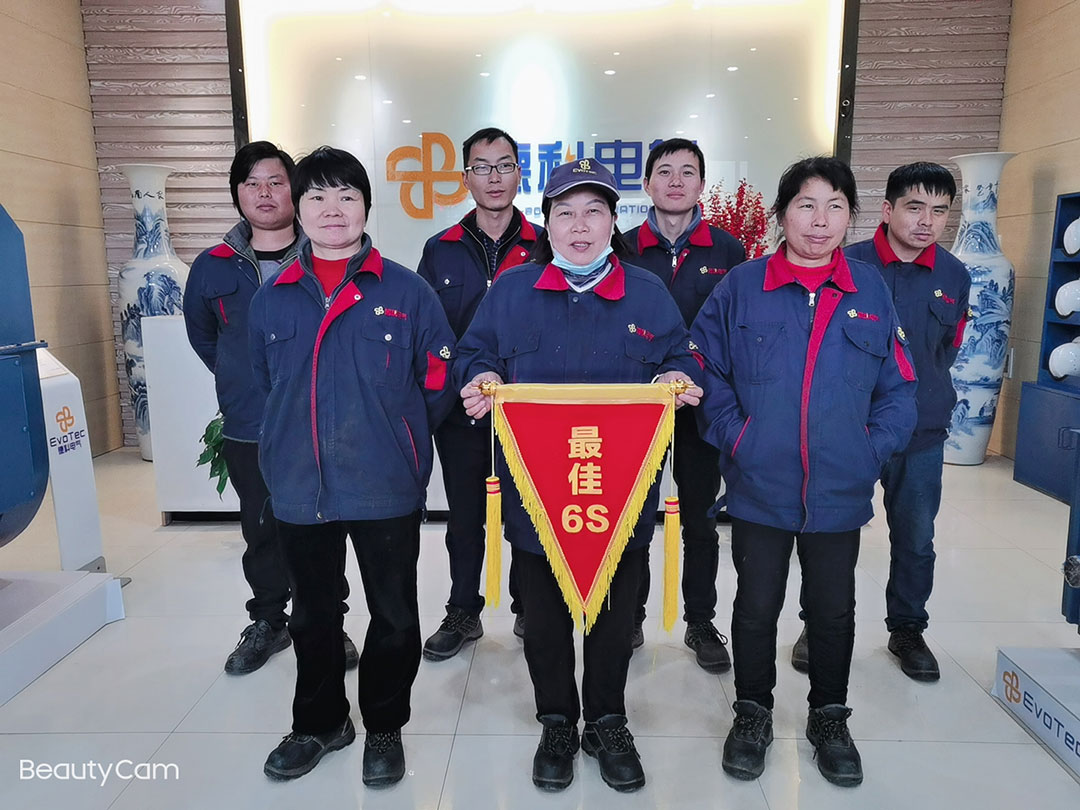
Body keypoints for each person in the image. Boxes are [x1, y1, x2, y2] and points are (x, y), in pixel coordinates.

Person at [456, 159, 702, 793]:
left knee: (614, 619)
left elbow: (680, 355)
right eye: (565, 213)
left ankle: (608, 720)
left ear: (614, 220)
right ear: (546, 223)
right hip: (537, 498)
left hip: (619, 496)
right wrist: (482, 378)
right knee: (543, 619)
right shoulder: (512, 291)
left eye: (594, 211)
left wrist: (676, 377)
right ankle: (558, 721)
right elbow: (475, 353)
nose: (580, 226)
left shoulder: (647, 293)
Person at [691, 157, 918, 787]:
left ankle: (829, 717)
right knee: (756, 606)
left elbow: (900, 388)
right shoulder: (742, 286)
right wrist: (739, 438)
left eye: (835, 206)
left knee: (832, 609)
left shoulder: (870, 291)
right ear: (781, 213)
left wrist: (868, 451)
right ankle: (752, 713)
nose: (820, 221)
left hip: (840, 488)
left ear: (852, 216)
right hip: (759, 485)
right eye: (806, 205)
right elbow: (703, 370)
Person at [249, 147, 456, 785]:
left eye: (346, 196)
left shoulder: (407, 291)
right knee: (313, 615)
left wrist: (398, 437)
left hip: (384, 483)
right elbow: (263, 382)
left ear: (366, 206)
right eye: (317, 196)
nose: (332, 209)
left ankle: (385, 726)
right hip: (299, 483)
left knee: (393, 615)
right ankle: (320, 722)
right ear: (298, 208)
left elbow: (438, 381)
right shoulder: (273, 296)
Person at [182, 141, 358, 675]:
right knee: (260, 527)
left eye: (276, 182)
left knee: (323, 526)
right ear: (237, 193)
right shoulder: (212, 267)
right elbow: (206, 339)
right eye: (251, 183)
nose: (264, 193)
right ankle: (268, 620)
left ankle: (328, 619)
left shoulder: (326, 256)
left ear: (295, 191)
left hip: (318, 424)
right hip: (250, 423)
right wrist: (245, 380)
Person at [841, 162, 969, 681]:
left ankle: (908, 630)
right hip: (850, 426)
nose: (926, 221)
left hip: (920, 430)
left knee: (915, 538)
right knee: (833, 535)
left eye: (939, 211)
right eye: (915, 208)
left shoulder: (954, 276)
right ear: (888, 209)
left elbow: (948, 348)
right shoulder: (847, 263)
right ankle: (821, 625)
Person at [417, 127, 541, 660]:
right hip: (462, 411)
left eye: (504, 165)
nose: (494, 177)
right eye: (482, 167)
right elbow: (426, 333)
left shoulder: (545, 244)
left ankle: (528, 607)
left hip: (528, 413)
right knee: (465, 517)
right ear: (465, 177)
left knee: (527, 513)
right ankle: (463, 611)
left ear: (519, 174)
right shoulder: (440, 249)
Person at [624, 138, 745, 670]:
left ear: (701, 184)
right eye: (665, 171)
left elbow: (736, 330)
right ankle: (629, 616)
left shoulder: (728, 252)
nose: (676, 181)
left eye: (688, 172)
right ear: (647, 183)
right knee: (634, 516)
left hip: (703, 406)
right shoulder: (623, 247)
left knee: (699, 519)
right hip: (638, 407)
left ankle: (700, 621)